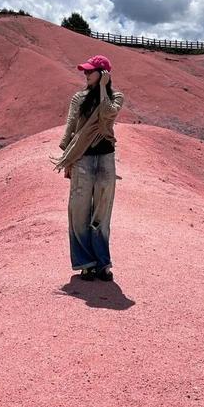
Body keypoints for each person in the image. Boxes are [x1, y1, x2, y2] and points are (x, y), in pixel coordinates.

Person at [51, 55, 125, 281]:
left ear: (103, 74)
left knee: (102, 211)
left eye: (90, 71)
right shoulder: (78, 98)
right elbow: (71, 126)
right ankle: (86, 264)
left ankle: (102, 264)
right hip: (82, 157)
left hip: (105, 158)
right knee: (79, 211)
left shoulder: (116, 97)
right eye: (85, 71)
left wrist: (103, 89)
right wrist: (67, 156)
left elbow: (106, 116)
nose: (85, 74)